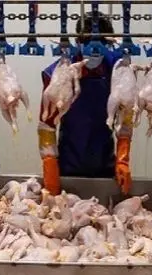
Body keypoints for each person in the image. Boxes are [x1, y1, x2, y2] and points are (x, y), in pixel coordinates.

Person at [37, 11, 134, 196]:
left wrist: (123, 160)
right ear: (78, 42)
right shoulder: (58, 73)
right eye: (88, 43)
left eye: (102, 44)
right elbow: (46, 125)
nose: (95, 51)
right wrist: (50, 166)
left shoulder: (117, 68)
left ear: (109, 44)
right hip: (68, 165)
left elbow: (126, 119)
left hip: (105, 163)